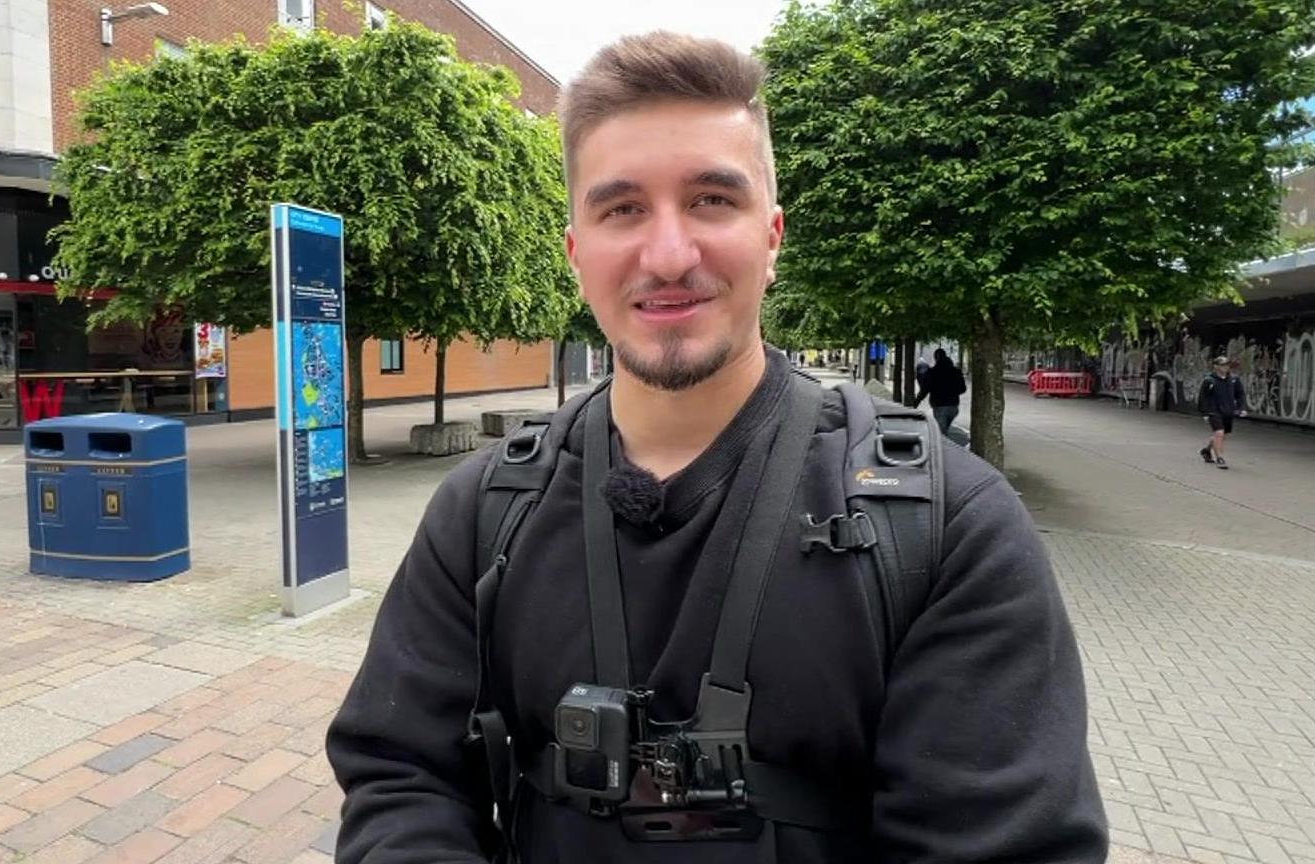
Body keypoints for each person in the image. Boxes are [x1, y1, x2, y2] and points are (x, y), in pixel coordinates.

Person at [327, 31, 1105, 863]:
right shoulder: (482, 512)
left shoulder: (948, 527)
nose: (668, 255)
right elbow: (401, 780)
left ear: (772, 237)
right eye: (622, 208)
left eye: (711, 200)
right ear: (576, 253)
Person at [1198, 355, 1247, 470]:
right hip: (1214, 411)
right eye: (1223, 365)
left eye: (1227, 365)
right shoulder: (1209, 380)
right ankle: (1220, 458)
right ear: (1216, 366)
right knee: (1219, 433)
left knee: (1221, 435)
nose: (1226, 367)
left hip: (1228, 411)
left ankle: (1206, 450)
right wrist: (1204, 412)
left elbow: (1240, 395)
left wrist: (1242, 407)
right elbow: (1203, 397)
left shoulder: (1234, 380)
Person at [910, 348, 967, 434]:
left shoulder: (933, 372)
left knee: (941, 435)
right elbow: (963, 389)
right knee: (943, 432)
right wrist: (953, 391)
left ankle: (943, 446)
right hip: (953, 406)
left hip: (939, 405)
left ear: (936, 358)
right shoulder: (956, 371)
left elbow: (925, 390)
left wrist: (916, 402)